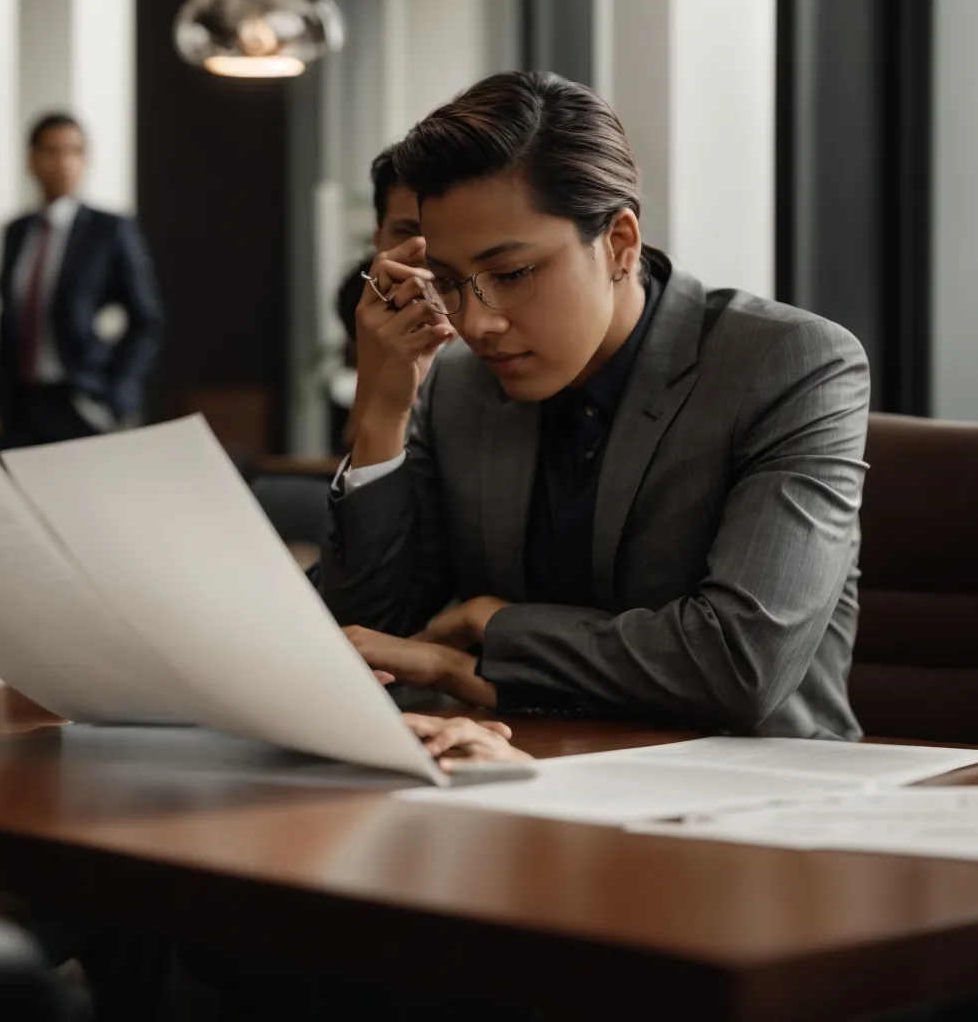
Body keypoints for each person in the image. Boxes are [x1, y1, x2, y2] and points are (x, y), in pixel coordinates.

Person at [326, 71, 870, 739]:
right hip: (523, 777)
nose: (476, 322)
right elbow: (370, 641)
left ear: (619, 243)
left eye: (513, 274)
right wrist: (381, 415)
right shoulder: (460, 384)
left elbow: (738, 664)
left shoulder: (787, 364)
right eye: (448, 282)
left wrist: (493, 628)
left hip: (754, 799)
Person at [0, 113, 165, 450]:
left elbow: (146, 320)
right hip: (21, 408)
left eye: (74, 152)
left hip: (80, 402)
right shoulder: (16, 233)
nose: (63, 163)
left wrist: (118, 394)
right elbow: (7, 328)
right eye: (52, 151)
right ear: (32, 160)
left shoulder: (109, 230)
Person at [329, 147, 427, 452]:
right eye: (406, 232)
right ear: (378, 238)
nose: (423, 250)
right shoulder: (368, 304)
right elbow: (356, 437)